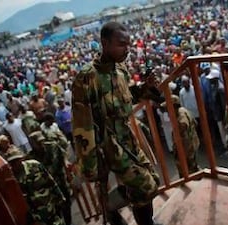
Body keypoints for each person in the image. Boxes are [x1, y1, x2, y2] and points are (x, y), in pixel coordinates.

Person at [72, 22, 160, 225]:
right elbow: (82, 125)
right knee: (144, 185)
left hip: (126, 139)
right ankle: (111, 209)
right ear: (104, 43)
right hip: (107, 146)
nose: (127, 49)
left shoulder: (119, 70)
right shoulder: (87, 78)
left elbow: (128, 96)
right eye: (121, 44)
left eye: (128, 44)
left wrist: (145, 87)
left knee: (151, 180)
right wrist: (90, 166)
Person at [3, 147, 66, 225]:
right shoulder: (11, 178)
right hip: (36, 216)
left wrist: (60, 197)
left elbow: (50, 180)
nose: (15, 164)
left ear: (22, 158)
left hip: (50, 206)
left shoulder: (34, 165)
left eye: (16, 160)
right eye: (12, 162)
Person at [28, 131, 72, 225]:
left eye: (42, 141)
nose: (41, 144)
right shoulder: (31, 157)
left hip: (59, 181)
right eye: (38, 143)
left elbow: (55, 165)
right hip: (46, 189)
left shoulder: (52, 146)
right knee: (55, 211)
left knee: (66, 205)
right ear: (32, 144)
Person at [161, 95, 200, 177]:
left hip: (186, 148)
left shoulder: (180, 114)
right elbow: (195, 123)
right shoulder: (184, 110)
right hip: (190, 145)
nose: (167, 111)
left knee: (188, 171)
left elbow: (183, 125)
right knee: (192, 168)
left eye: (168, 108)